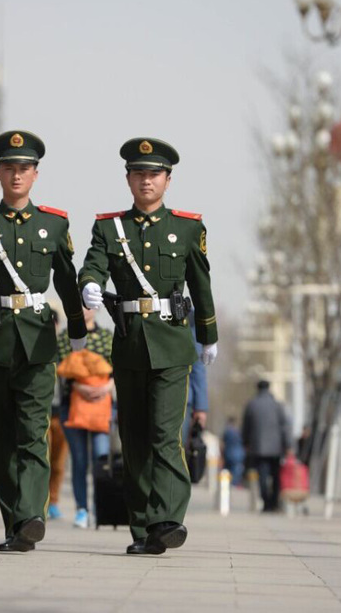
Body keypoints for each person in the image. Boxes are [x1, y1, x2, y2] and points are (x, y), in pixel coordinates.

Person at [79, 137, 218, 555]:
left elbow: (200, 283)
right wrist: (89, 282)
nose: (146, 180)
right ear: (128, 178)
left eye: (154, 174)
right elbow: (94, 262)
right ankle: (141, 527)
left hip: (174, 345)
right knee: (135, 438)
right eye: (139, 173)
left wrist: (208, 334)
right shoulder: (109, 228)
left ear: (167, 180)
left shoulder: (188, 228)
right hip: (129, 343)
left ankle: (168, 519)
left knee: (164, 433)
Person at [0, 130, 87, 552]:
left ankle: (31, 514)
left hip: (37, 340)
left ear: (35, 174)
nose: (16, 175)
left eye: (24, 168)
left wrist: (80, 333)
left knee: (33, 431)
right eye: (9, 168)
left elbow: (67, 280)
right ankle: (16, 521)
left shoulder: (54, 223)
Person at [58, 306, 114, 528]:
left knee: (100, 459)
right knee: (79, 460)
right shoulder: (65, 337)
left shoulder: (107, 336)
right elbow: (61, 367)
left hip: (103, 405)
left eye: (87, 304)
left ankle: (101, 507)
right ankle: (82, 509)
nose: (83, 309)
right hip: (72, 406)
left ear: (97, 307)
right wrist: (80, 387)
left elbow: (116, 368)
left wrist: (107, 386)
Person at [242, 380, 292, 512]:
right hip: (276, 448)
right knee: (276, 475)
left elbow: (246, 426)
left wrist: (245, 442)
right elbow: (285, 427)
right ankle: (274, 502)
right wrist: (288, 445)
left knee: (262, 475)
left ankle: (266, 502)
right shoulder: (277, 405)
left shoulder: (252, 404)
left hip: (258, 447)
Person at [47, 308, 69, 521]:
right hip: (42, 412)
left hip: (62, 412)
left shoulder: (64, 348)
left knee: (59, 463)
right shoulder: (36, 347)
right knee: (42, 458)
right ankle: (41, 500)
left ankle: (53, 501)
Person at [181, 310, 208, 444]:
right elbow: (197, 370)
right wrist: (201, 408)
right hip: (183, 398)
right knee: (175, 446)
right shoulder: (190, 326)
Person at [222, 416, 245, 486]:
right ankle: (233, 484)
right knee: (236, 472)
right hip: (238, 455)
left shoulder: (227, 431)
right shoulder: (239, 432)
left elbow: (223, 443)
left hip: (228, 453)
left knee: (227, 471)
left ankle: (226, 485)